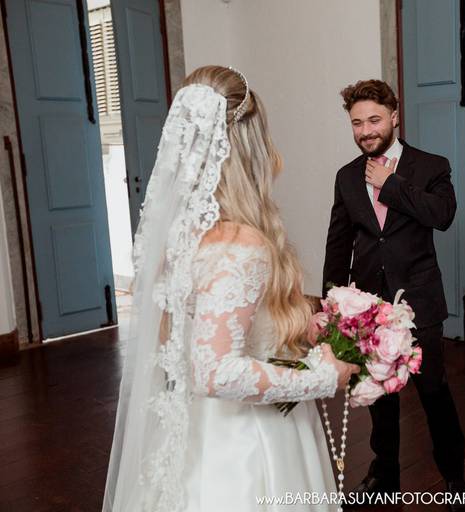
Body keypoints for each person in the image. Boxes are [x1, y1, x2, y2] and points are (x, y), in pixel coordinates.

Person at [102, 65, 359, 512]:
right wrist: (323, 377)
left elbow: (207, 328)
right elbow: (216, 372)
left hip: (192, 430)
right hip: (247, 445)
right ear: (248, 145)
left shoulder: (178, 234)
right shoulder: (241, 245)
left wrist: (297, 323)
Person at [322, 79, 465, 511]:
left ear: (394, 117)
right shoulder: (346, 176)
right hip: (367, 306)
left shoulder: (430, 166)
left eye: (374, 120)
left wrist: (391, 185)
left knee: (433, 392)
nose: (366, 131)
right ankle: (384, 476)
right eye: (357, 123)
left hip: (419, 302)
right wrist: (332, 304)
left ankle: (455, 478)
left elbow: (443, 215)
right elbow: (339, 241)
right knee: (379, 395)